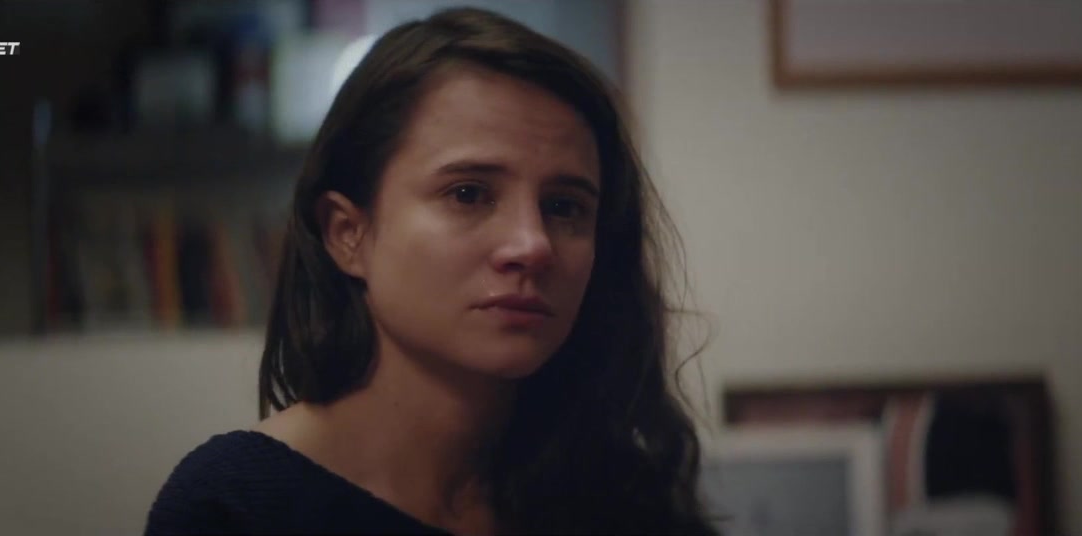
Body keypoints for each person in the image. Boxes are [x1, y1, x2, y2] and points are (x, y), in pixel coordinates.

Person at [146, 7, 716, 535]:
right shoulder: (237, 508)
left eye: (565, 206)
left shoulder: (625, 498)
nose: (532, 245)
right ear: (348, 234)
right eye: (468, 193)